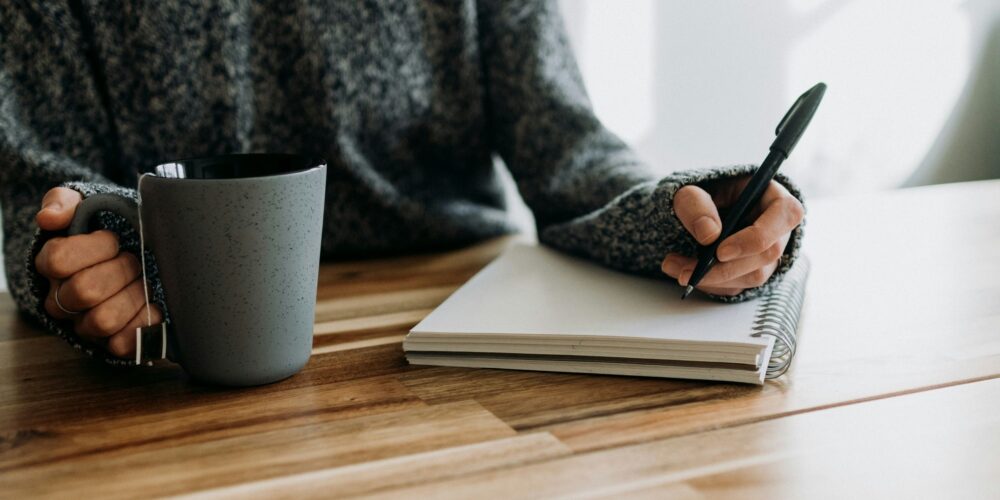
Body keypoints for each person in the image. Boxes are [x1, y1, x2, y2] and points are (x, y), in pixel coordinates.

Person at [0, 1, 804, 365]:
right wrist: (76, 271)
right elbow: (36, 186)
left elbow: (569, 155)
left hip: (464, 330)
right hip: (180, 347)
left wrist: (691, 212)